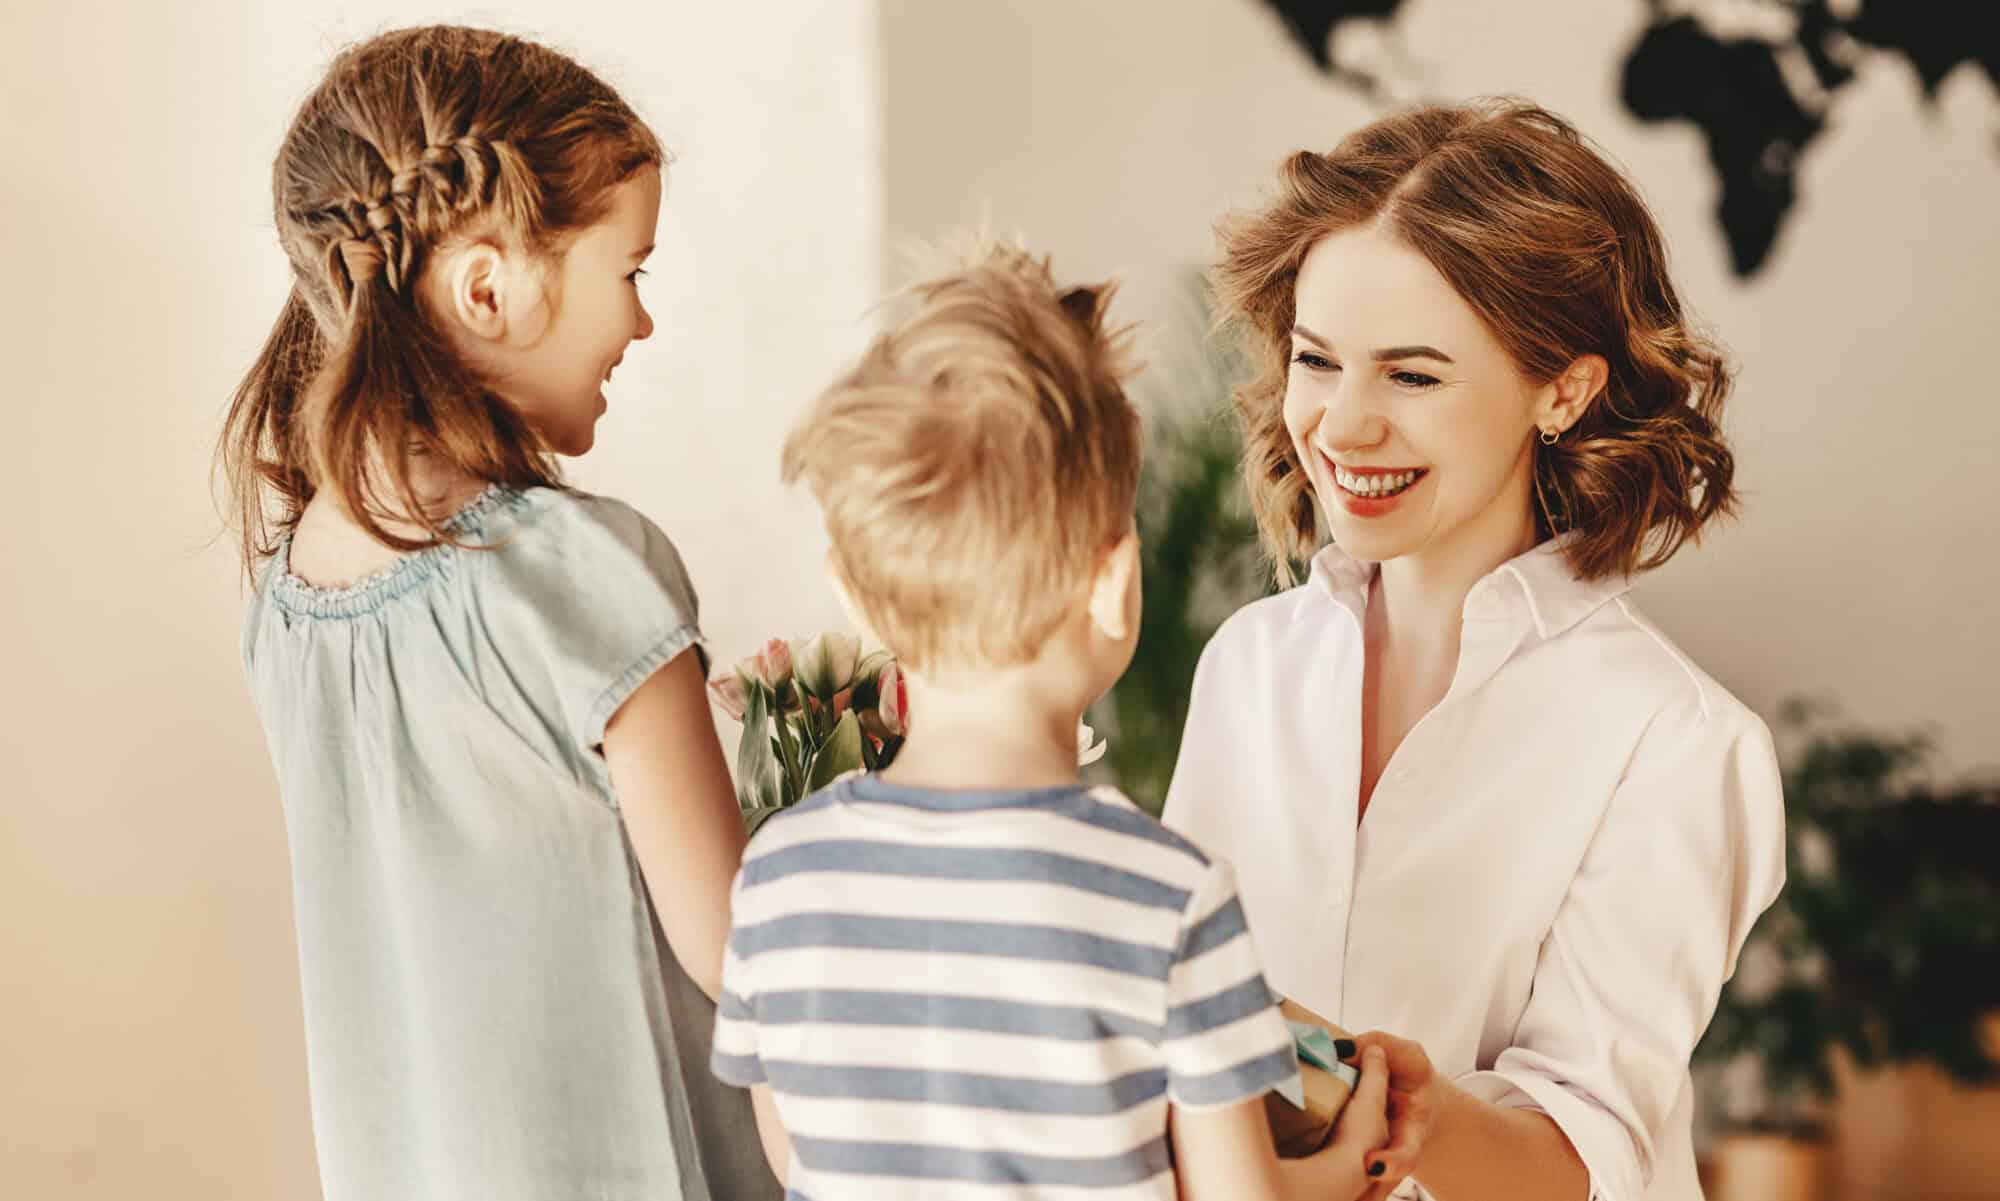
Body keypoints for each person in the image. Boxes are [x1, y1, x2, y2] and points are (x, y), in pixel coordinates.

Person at [1164, 100, 1787, 1201]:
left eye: (1411, 375)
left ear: (1561, 388)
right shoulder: (1248, 667)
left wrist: (1408, 1110)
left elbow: (1579, 1158)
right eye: (1318, 360)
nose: (1341, 427)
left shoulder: (1674, 742)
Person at [217, 26, 773, 1200]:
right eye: (631, 273)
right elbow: (745, 959)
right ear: (487, 286)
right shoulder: (587, 572)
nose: (641, 324)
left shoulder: (284, 610)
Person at [711, 243, 1392, 1199]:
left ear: (854, 596)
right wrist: (1353, 1157)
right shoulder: (1168, 898)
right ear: (1114, 585)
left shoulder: (781, 876)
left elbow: (801, 1159)